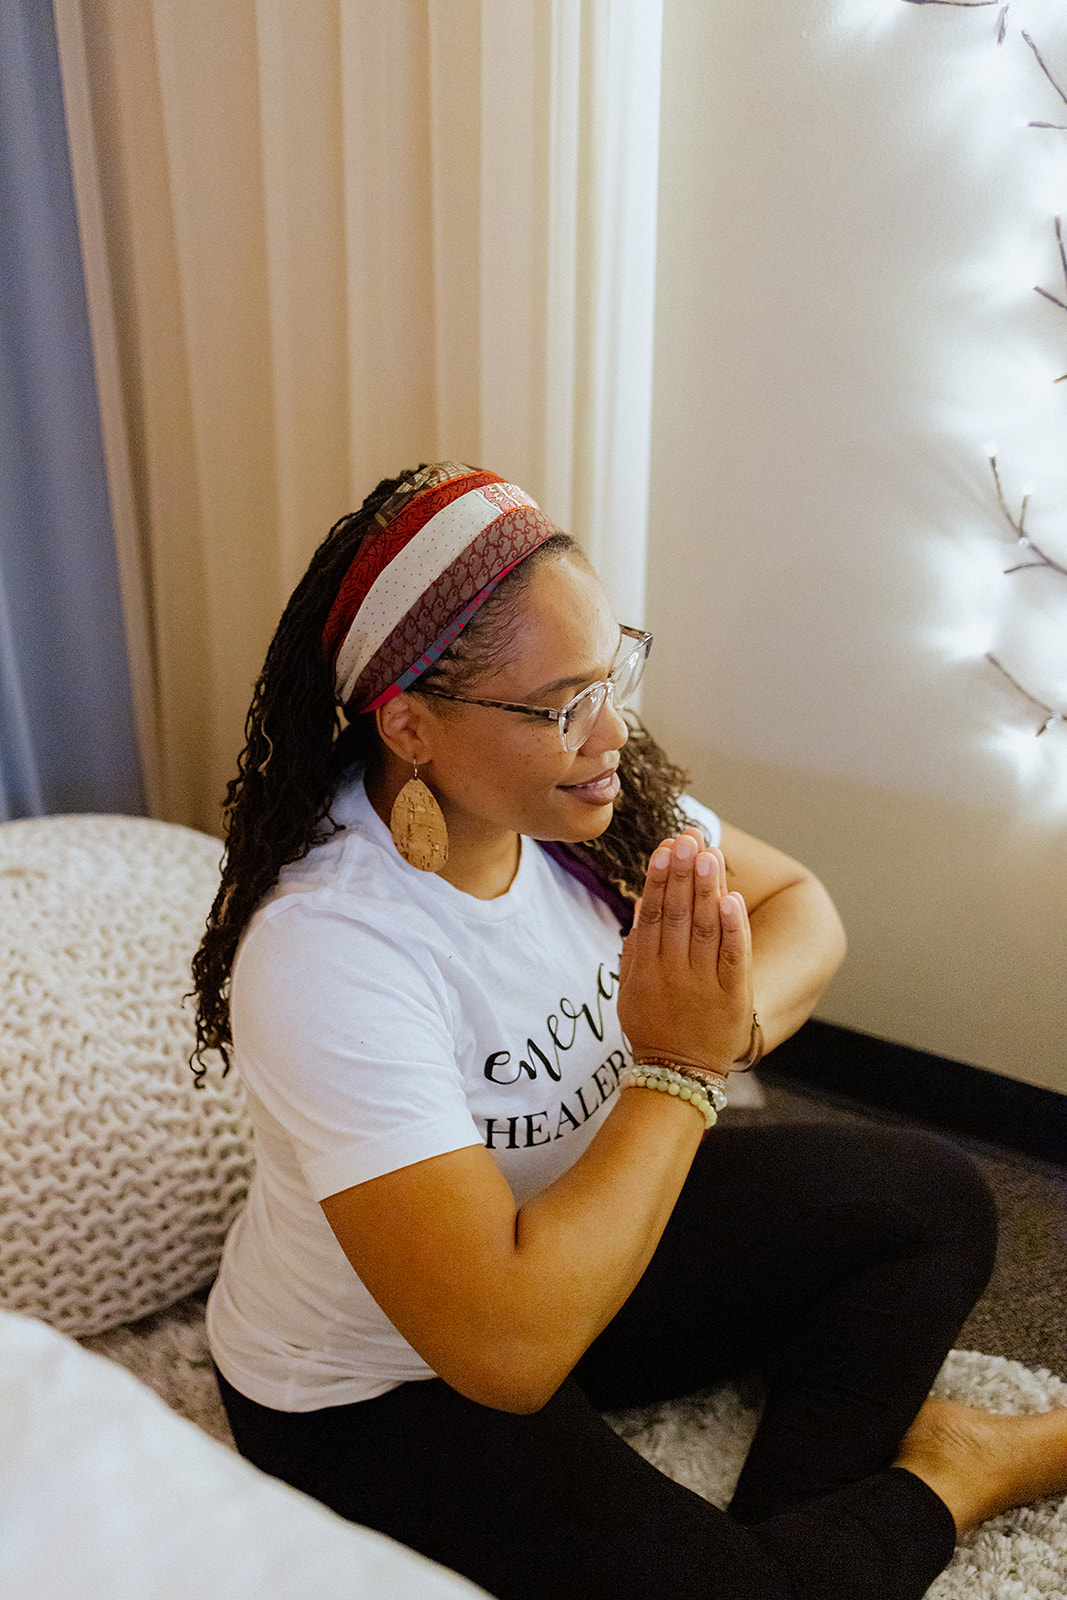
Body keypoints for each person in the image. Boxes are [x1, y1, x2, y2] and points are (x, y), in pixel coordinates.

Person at [193, 462, 1067, 1600]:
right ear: (408, 724)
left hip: (582, 1248)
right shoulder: (331, 951)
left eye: (612, 673)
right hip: (389, 1381)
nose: (610, 729)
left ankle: (788, 1548)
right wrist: (677, 1065)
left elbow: (798, 904)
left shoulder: (587, 805)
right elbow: (505, 1355)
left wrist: (722, 1024)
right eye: (562, 704)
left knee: (928, 1200)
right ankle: (956, 1472)